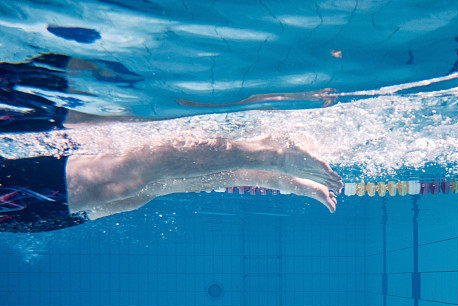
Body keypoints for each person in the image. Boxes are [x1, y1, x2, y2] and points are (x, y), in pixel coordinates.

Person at [0, 55, 342, 233]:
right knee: (138, 195)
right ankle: (268, 174)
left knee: (123, 177)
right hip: (15, 216)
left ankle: (272, 152)